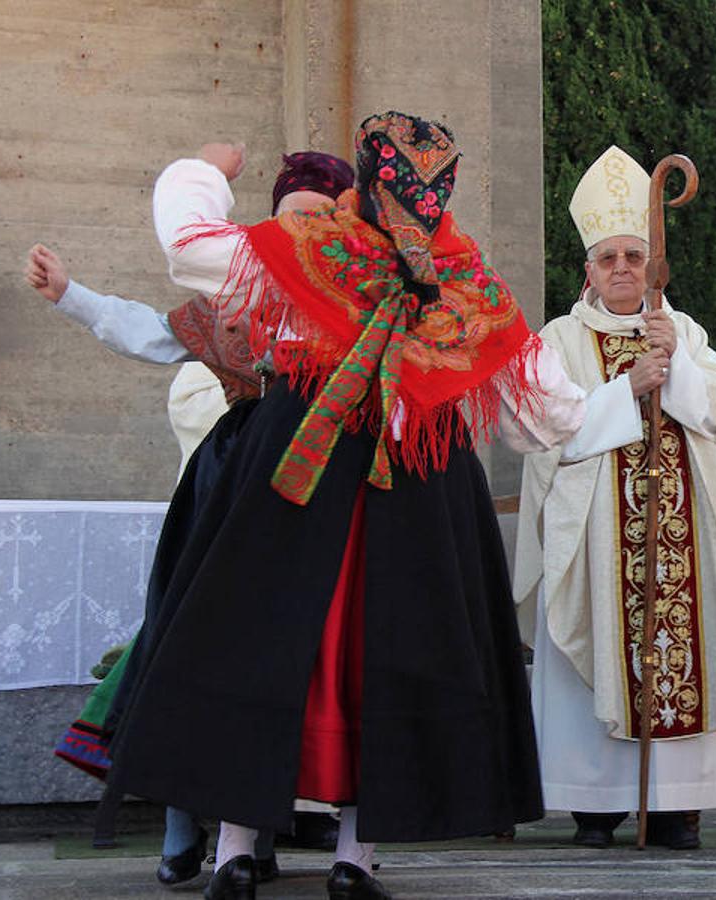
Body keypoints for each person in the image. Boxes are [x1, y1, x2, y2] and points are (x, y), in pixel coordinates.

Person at [106, 113, 587, 900]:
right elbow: (549, 416)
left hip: (299, 465)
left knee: (260, 638)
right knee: (389, 653)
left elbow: (189, 242)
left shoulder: (315, 245)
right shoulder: (463, 278)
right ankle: (352, 859)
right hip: (413, 482)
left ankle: (234, 852)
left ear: (362, 183)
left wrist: (204, 167)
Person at [32, 151, 354, 888]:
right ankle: (181, 830)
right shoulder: (238, 291)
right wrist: (71, 295)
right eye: (294, 214)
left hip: (316, 491)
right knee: (197, 642)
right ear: (272, 221)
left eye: (321, 215)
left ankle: (256, 837)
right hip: (231, 484)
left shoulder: (353, 301)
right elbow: (152, 332)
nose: (306, 227)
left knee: (288, 658)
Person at [513, 145, 716, 851]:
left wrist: (674, 372)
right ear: (587, 270)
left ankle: (675, 806)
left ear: (654, 266)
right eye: (609, 257)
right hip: (594, 538)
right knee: (600, 648)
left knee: (678, 645)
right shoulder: (558, 340)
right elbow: (537, 425)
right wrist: (627, 391)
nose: (623, 268)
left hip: (676, 540)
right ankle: (594, 805)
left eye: (634, 257)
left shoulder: (684, 333)